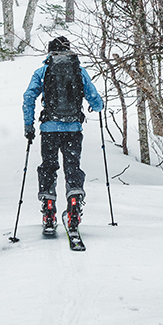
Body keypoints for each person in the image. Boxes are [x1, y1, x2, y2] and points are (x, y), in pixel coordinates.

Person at [23, 36, 103, 233]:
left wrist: (28, 126)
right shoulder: (79, 71)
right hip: (73, 129)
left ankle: (48, 210)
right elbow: (96, 100)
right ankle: (74, 207)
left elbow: (28, 98)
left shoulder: (43, 72)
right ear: (69, 51)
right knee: (72, 167)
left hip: (49, 130)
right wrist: (96, 106)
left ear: (50, 52)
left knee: (48, 167)